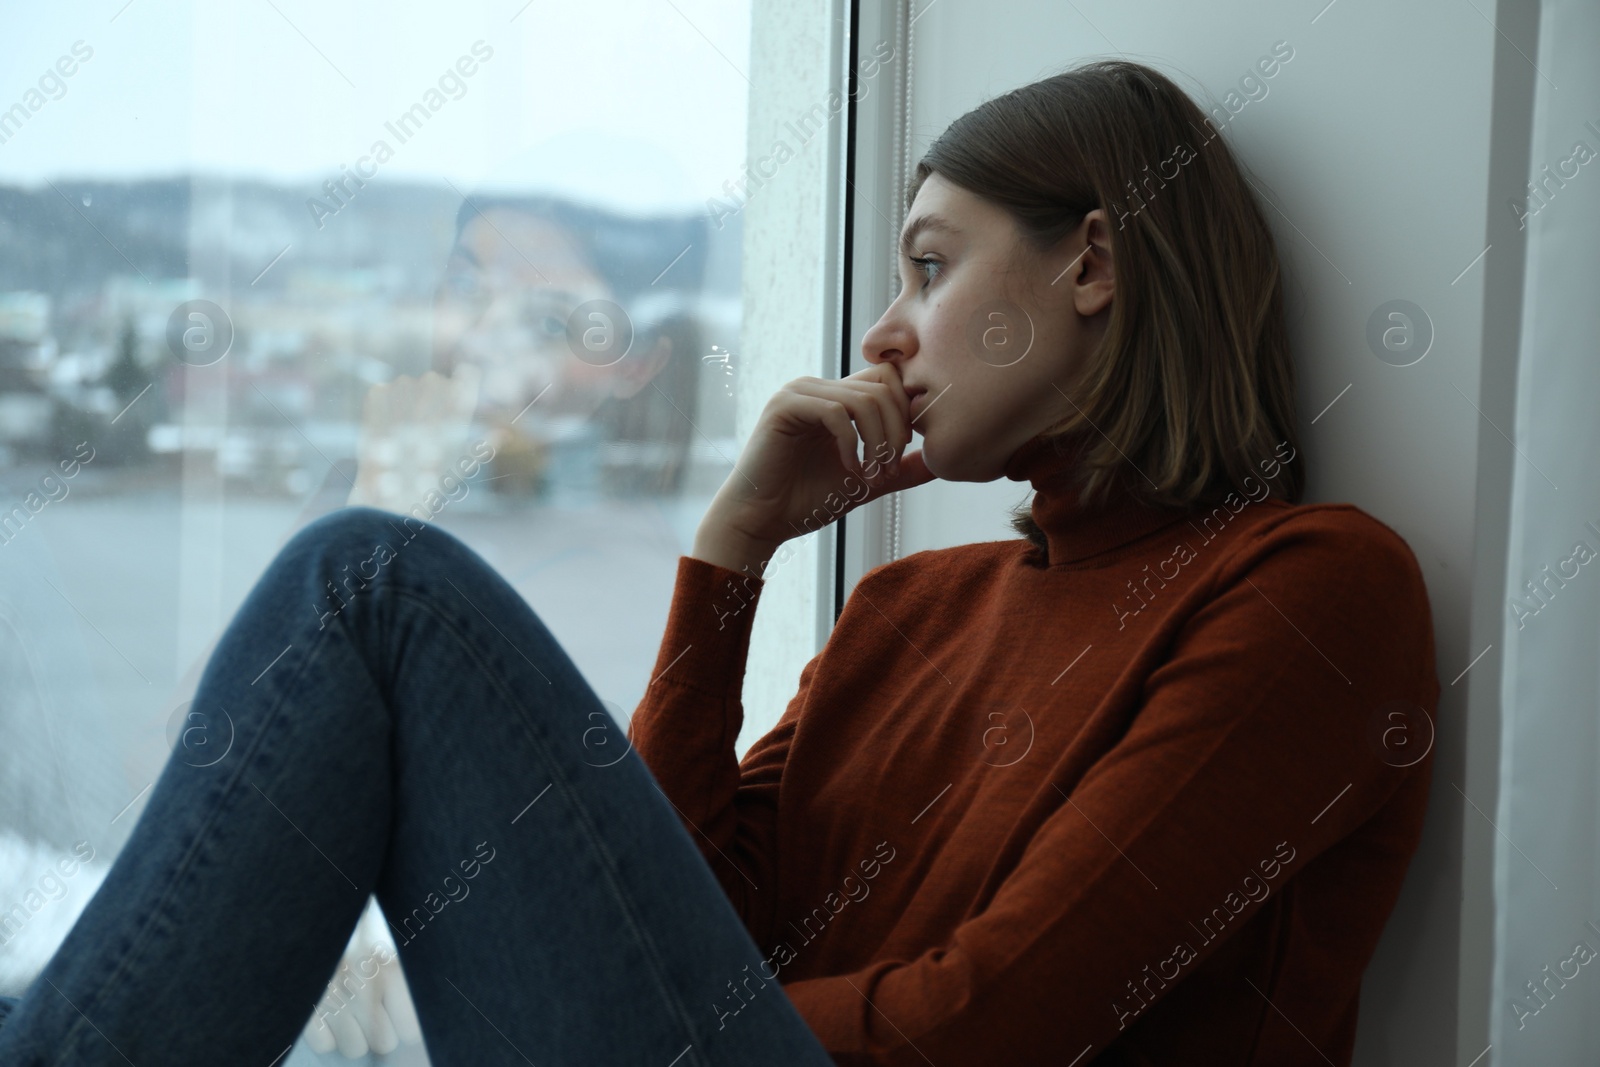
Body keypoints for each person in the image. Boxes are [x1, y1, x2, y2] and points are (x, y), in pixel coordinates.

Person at [0, 58, 1438, 1065]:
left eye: (930, 268)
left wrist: (614, 993)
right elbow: (681, 911)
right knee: (366, 589)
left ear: (1095, 265)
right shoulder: (909, 606)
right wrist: (731, 553)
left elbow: (990, 1033)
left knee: (370, 587)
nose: (884, 333)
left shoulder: (1313, 592)